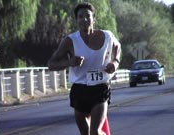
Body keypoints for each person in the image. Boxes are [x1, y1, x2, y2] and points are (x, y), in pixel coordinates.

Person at [48, 2, 121, 135]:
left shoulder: (107, 36)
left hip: (100, 88)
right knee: (85, 133)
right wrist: (70, 62)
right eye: (80, 16)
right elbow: (51, 64)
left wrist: (115, 63)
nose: (84, 19)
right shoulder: (70, 40)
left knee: (95, 132)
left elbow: (117, 48)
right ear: (76, 20)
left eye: (88, 16)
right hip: (79, 90)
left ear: (94, 19)